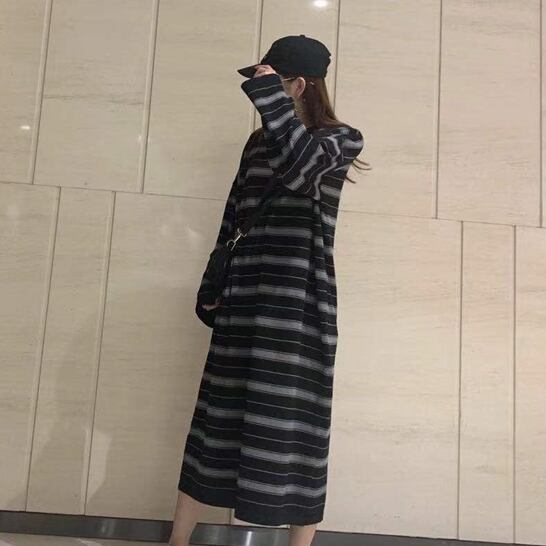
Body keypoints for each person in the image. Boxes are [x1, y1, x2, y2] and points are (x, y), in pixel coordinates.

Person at [169, 35, 367, 546]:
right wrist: (213, 281)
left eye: (272, 82)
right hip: (246, 295)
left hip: (299, 304)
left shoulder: (342, 140)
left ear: (299, 85)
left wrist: (274, 106)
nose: (263, 93)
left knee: (293, 426)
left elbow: (303, 171)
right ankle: (178, 539)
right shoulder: (258, 143)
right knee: (217, 421)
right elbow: (234, 212)